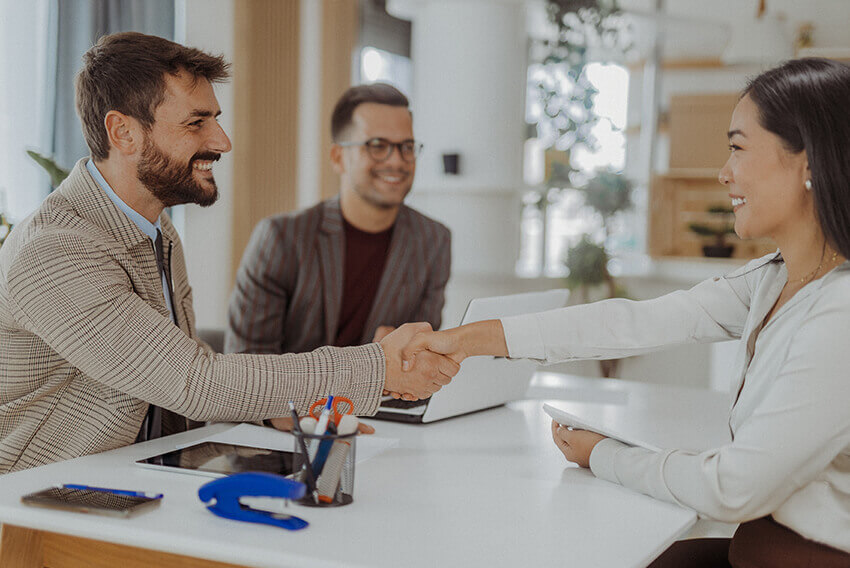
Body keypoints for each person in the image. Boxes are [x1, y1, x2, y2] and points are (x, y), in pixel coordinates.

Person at [400, 58, 850, 566]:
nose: (723, 173)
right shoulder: (775, 279)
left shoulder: (841, 313)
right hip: (757, 547)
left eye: (738, 148)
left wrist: (604, 455)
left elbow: (731, 490)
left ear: (810, 162)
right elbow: (633, 321)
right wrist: (465, 340)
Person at [0, 32, 457, 474]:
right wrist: (378, 366)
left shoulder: (156, 233)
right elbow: (194, 382)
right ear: (123, 132)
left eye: (215, 119)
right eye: (197, 123)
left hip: (130, 477)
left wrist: (273, 411)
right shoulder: (55, 252)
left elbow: (169, 396)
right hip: (32, 506)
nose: (222, 141)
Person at [225, 83, 451, 358]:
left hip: (387, 401)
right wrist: (370, 361)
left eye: (407, 146)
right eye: (377, 146)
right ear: (338, 157)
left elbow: (422, 357)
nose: (397, 161)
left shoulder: (433, 240)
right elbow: (248, 366)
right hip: (292, 401)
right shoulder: (281, 238)